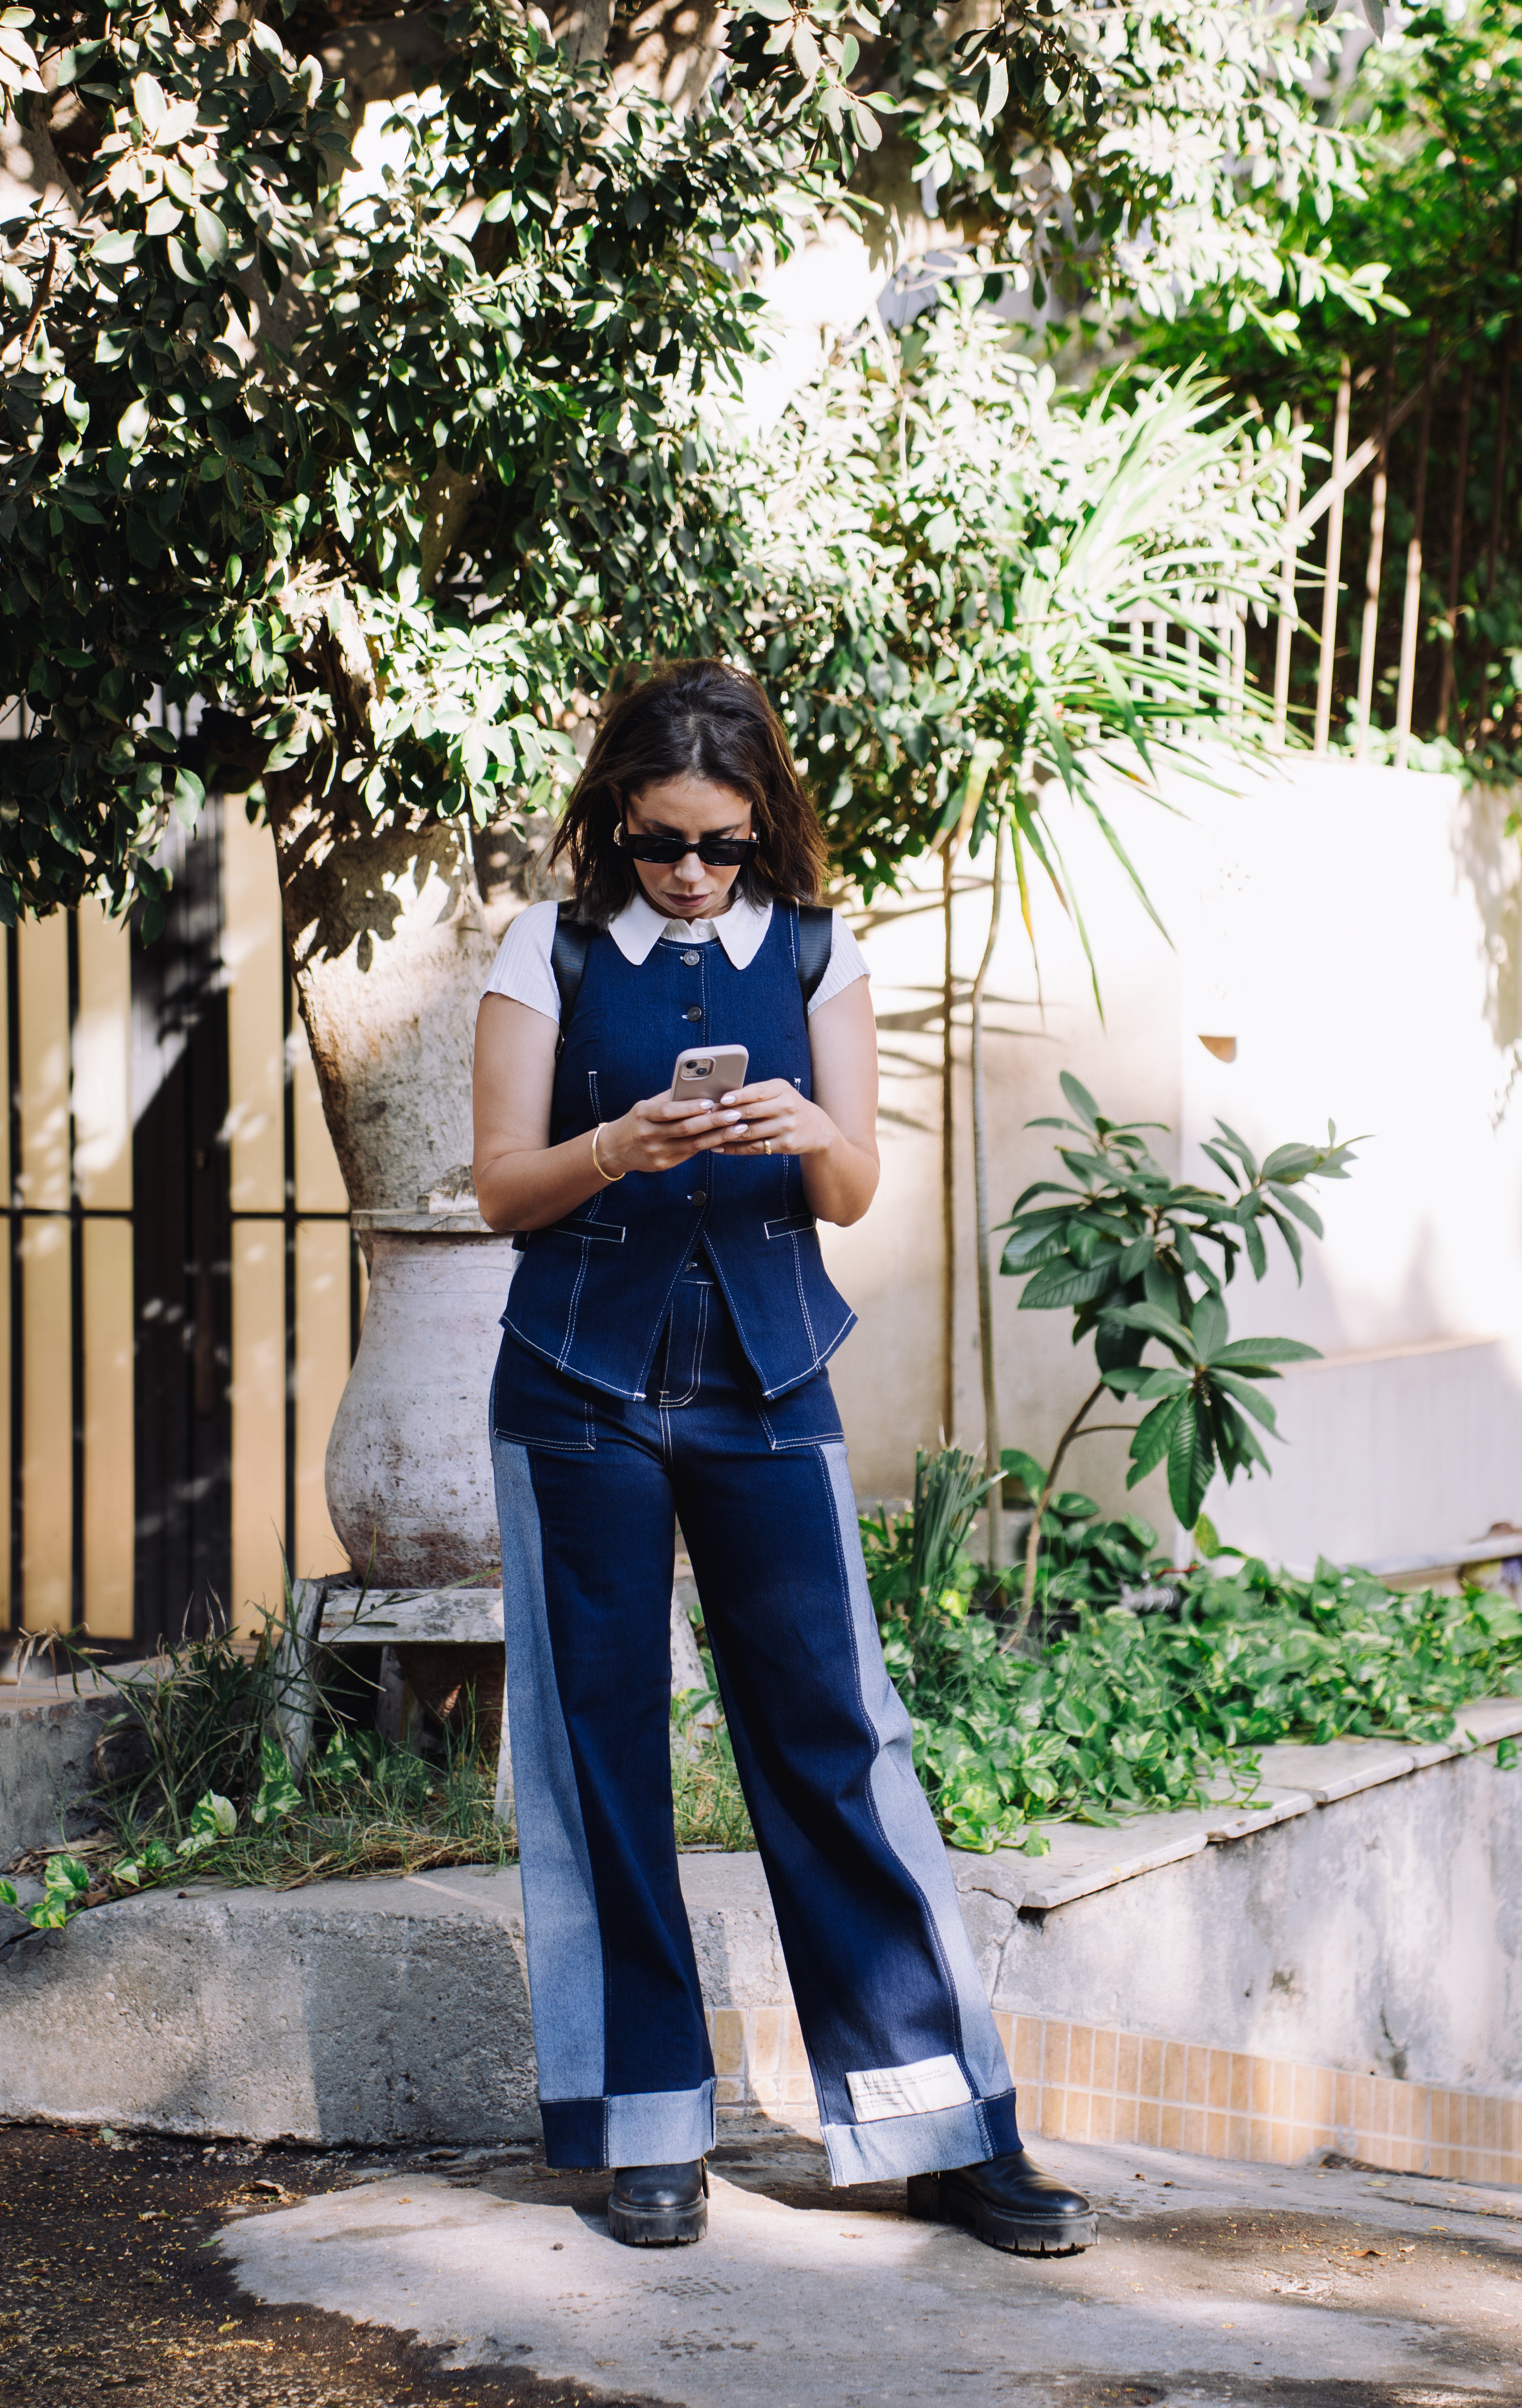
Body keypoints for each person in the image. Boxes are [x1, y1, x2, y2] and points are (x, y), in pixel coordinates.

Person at [472, 659, 1094, 2256]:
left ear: (766, 832)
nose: (691, 871)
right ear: (619, 813)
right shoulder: (541, 951)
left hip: (766, 1383)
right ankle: (646, 2130)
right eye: (665, 839)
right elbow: (495, 1189)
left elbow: (854, 1190)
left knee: (837, 1740)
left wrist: (804, 1128)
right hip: (575, 1390)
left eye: (724, 845)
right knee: (594, 1752)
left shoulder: (819, 951)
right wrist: (621, 1144)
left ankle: (942, 2129)